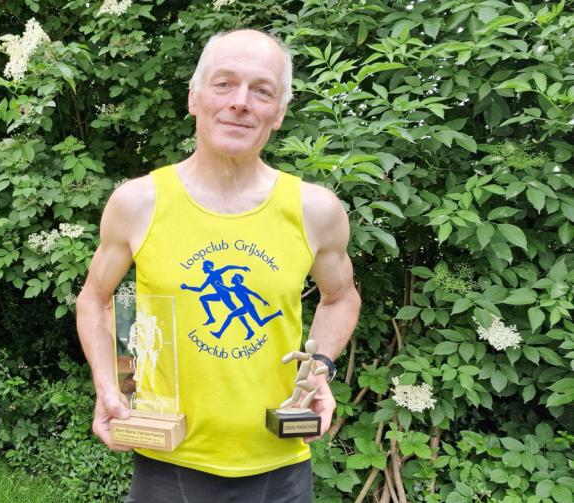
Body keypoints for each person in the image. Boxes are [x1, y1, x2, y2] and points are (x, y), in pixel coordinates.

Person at [75, 29, 361, 502]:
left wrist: (318, 369)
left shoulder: (315, 210)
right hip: (168, 462)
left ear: (279, 112)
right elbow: (94, 298)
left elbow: (341, 297)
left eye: (262, 91)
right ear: (194, 97)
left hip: (279, 465)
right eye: (224, 83)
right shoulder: (138, 203)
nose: (240, 102)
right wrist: (108, 386)